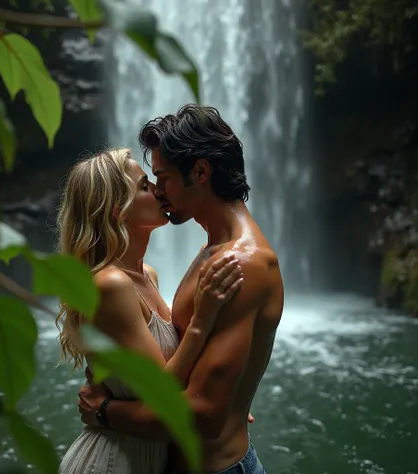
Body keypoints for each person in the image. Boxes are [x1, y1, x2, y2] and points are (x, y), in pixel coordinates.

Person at [78, 105, 284, 474]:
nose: (159, 191)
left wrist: (105, 411)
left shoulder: (243, 264)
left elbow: (203, 416)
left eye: (163, 177)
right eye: (150, 182)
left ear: (201, 172)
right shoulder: (211, 252)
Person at [56, 148, 244, 474]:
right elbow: (164, 392)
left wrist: (222, 401)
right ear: (118, 210)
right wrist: (203, 318)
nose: (159, 190)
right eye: (145, 186)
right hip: (111, 462)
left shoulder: (148, 276)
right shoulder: (111, 285)